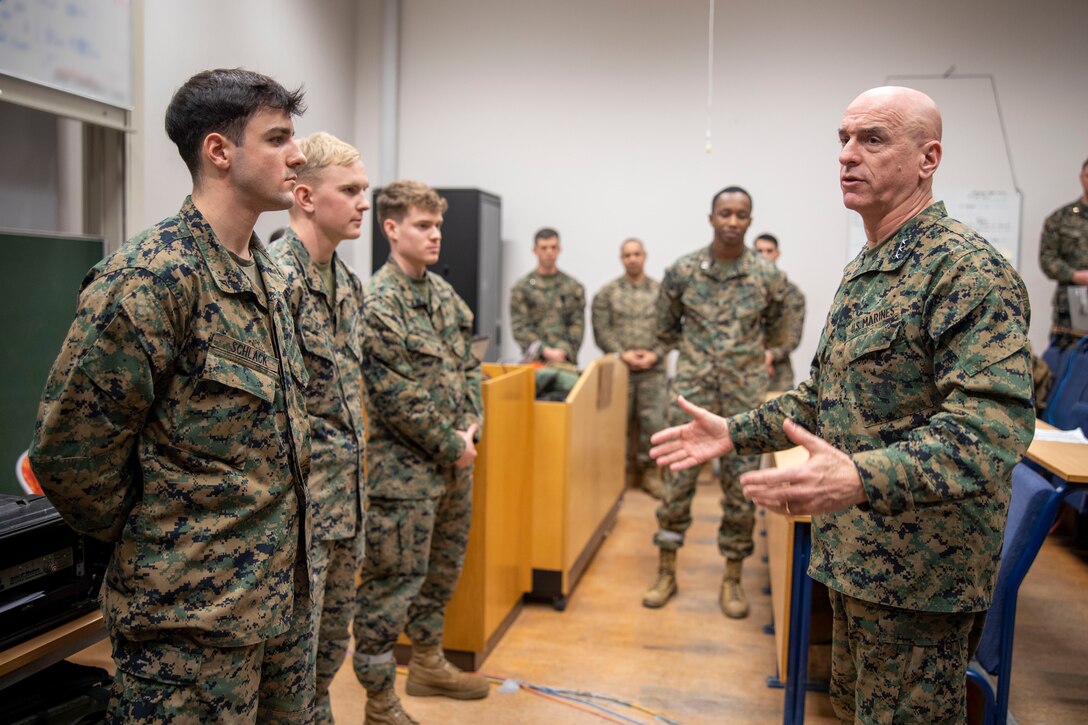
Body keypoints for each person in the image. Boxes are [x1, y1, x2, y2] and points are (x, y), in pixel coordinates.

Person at [651, 86, 1034, 724]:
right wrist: (735, 431)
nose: (848, 156)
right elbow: (824, 396)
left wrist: (860, 474)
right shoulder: (871, 266)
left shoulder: (964, 270)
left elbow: (990, 431)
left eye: (873, 139)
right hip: (854, 564)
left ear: (927, 158)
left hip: (919, 580)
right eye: (843, 139)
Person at [29, 68, 315, 722]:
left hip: (276, 608)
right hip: (187, 626)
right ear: (219, 151)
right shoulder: (151, 277)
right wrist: (163, 534)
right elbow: (69, 456)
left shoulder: (269, 277)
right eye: (278, 138)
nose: (298, 154)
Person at [353, 180, 486, 725]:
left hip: (456, 464)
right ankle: (379, 700)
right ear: (391, 228)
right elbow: (394, 396)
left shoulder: (443, 296)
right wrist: (451, 443)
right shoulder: (378, 303)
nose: (435, 236)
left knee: (441, 573)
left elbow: (470, 364)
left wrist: (473, 426)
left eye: (438, 226)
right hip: (403, 478)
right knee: (391, 587)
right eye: (423, 226)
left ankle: (428, 662)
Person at [644, 186, 788, 618]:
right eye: (724, 213)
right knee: (676, 483)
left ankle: (732, 577)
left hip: (744, 399)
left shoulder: (767, 276)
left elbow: (779, 332)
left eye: (740, 215)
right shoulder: (683, 271)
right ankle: (666, 570)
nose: (732, 221)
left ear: (750, 220)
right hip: (693, 395)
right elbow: (664, 328)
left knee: (741, 489)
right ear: (711, 218)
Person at [269, 131, 369, 724]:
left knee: (326, 659)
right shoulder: (275, 282)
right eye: (350, 190)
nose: (363, 203)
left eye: (366, 191)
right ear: (305, 197)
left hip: (344, 510)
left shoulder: (350, 287)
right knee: (289, 671)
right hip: (298, 522)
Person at [591, 238, 666, 497]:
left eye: (636, 254)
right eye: (626, 255)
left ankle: (651, 474)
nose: (632, 259)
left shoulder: (661, 292)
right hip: (620, 369)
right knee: (615, 425)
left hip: (653, 371)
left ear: (645, 256)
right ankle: (615, 476)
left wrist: (654, 354)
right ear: (621, 259)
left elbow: (671, 329)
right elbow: (602, 330)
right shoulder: (608, 293)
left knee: (654, 424)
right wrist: (623, 353)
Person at [509, 228, 586, 363]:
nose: (549, 252)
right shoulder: (522, 288)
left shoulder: (573, 287)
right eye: (544, 248)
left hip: (565, 359)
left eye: (553, 247)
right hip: (534, 360)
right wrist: (544, 351)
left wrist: (563, 351)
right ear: (535, 250)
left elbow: (577, 324)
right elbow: (519, 327)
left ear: (559, 249)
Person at [1038, 157, 1088, 350]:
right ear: (1081, 178)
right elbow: (1047, 258)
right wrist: (1075, 276)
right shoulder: (1061, 218)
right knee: (1074, 361)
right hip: (1073, 304)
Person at [753, 233, 807, 391]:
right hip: (742, 374)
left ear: (777, 254)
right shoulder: (740, 291)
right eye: (759, 251)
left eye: (769, 251)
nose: (764, 256)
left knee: (778, 414)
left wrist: (769, 356)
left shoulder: (792, 294)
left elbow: (793, 337)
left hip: (777, 374)